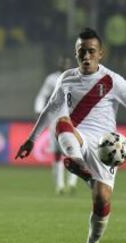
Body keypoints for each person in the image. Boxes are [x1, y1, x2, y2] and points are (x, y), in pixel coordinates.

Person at [16, 28, 126, 243]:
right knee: (61, 122)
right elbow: (49, 108)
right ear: (76, 54)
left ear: (101, 53)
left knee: (102, 201)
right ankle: (75, 162)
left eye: (91, 52)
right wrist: (32, 139)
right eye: (81, 52)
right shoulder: (66, 78)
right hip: (77, 139)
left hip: (105, 148)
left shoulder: (112, 81)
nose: (86, 57)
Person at [34, 56, 78, 194]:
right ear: (59, 64)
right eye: (62, 63)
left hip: (73, 120)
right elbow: (42, 95)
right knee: (58, 153)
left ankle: (71, 183)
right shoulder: (51, 79)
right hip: (55, 120)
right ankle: (59, 185)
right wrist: (38, 110)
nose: (64, 65)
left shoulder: (77, 79)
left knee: (73, 152)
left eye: (67, 63)